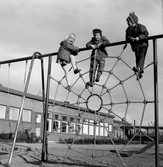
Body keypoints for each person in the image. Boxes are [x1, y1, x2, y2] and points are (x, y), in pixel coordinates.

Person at [125, 11, 149, 80]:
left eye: (128, 22)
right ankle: (139, 72)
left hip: (142, 44)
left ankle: (138, 69)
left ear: (133, 22)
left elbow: (145, 34)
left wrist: (139, 38)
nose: (127, 23)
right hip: (136, 46)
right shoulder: (128, 30)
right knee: (137, 58)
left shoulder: (141, 27)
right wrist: (131, 39)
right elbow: (127, 37)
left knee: (141, 56)